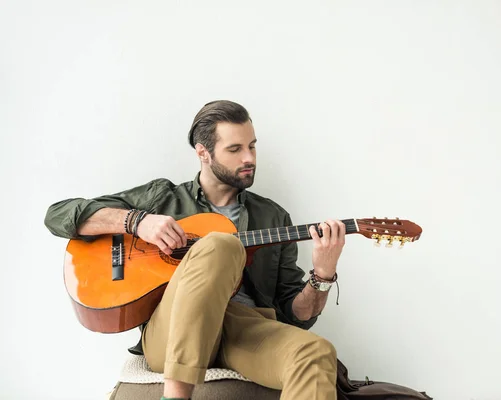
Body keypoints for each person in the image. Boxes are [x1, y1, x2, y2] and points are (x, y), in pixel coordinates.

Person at [44, 100, 345, 400]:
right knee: (221, 243)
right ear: (203, 153)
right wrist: (137, 221)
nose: (249, 157)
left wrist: (322, 275)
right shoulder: (162, 199)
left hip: (244, 327)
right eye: (235, 149)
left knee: (316, 352)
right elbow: (59, 215)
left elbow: (295, 315)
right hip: (172, 328)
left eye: (252, 146)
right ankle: (175, 396)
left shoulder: (274, 217)